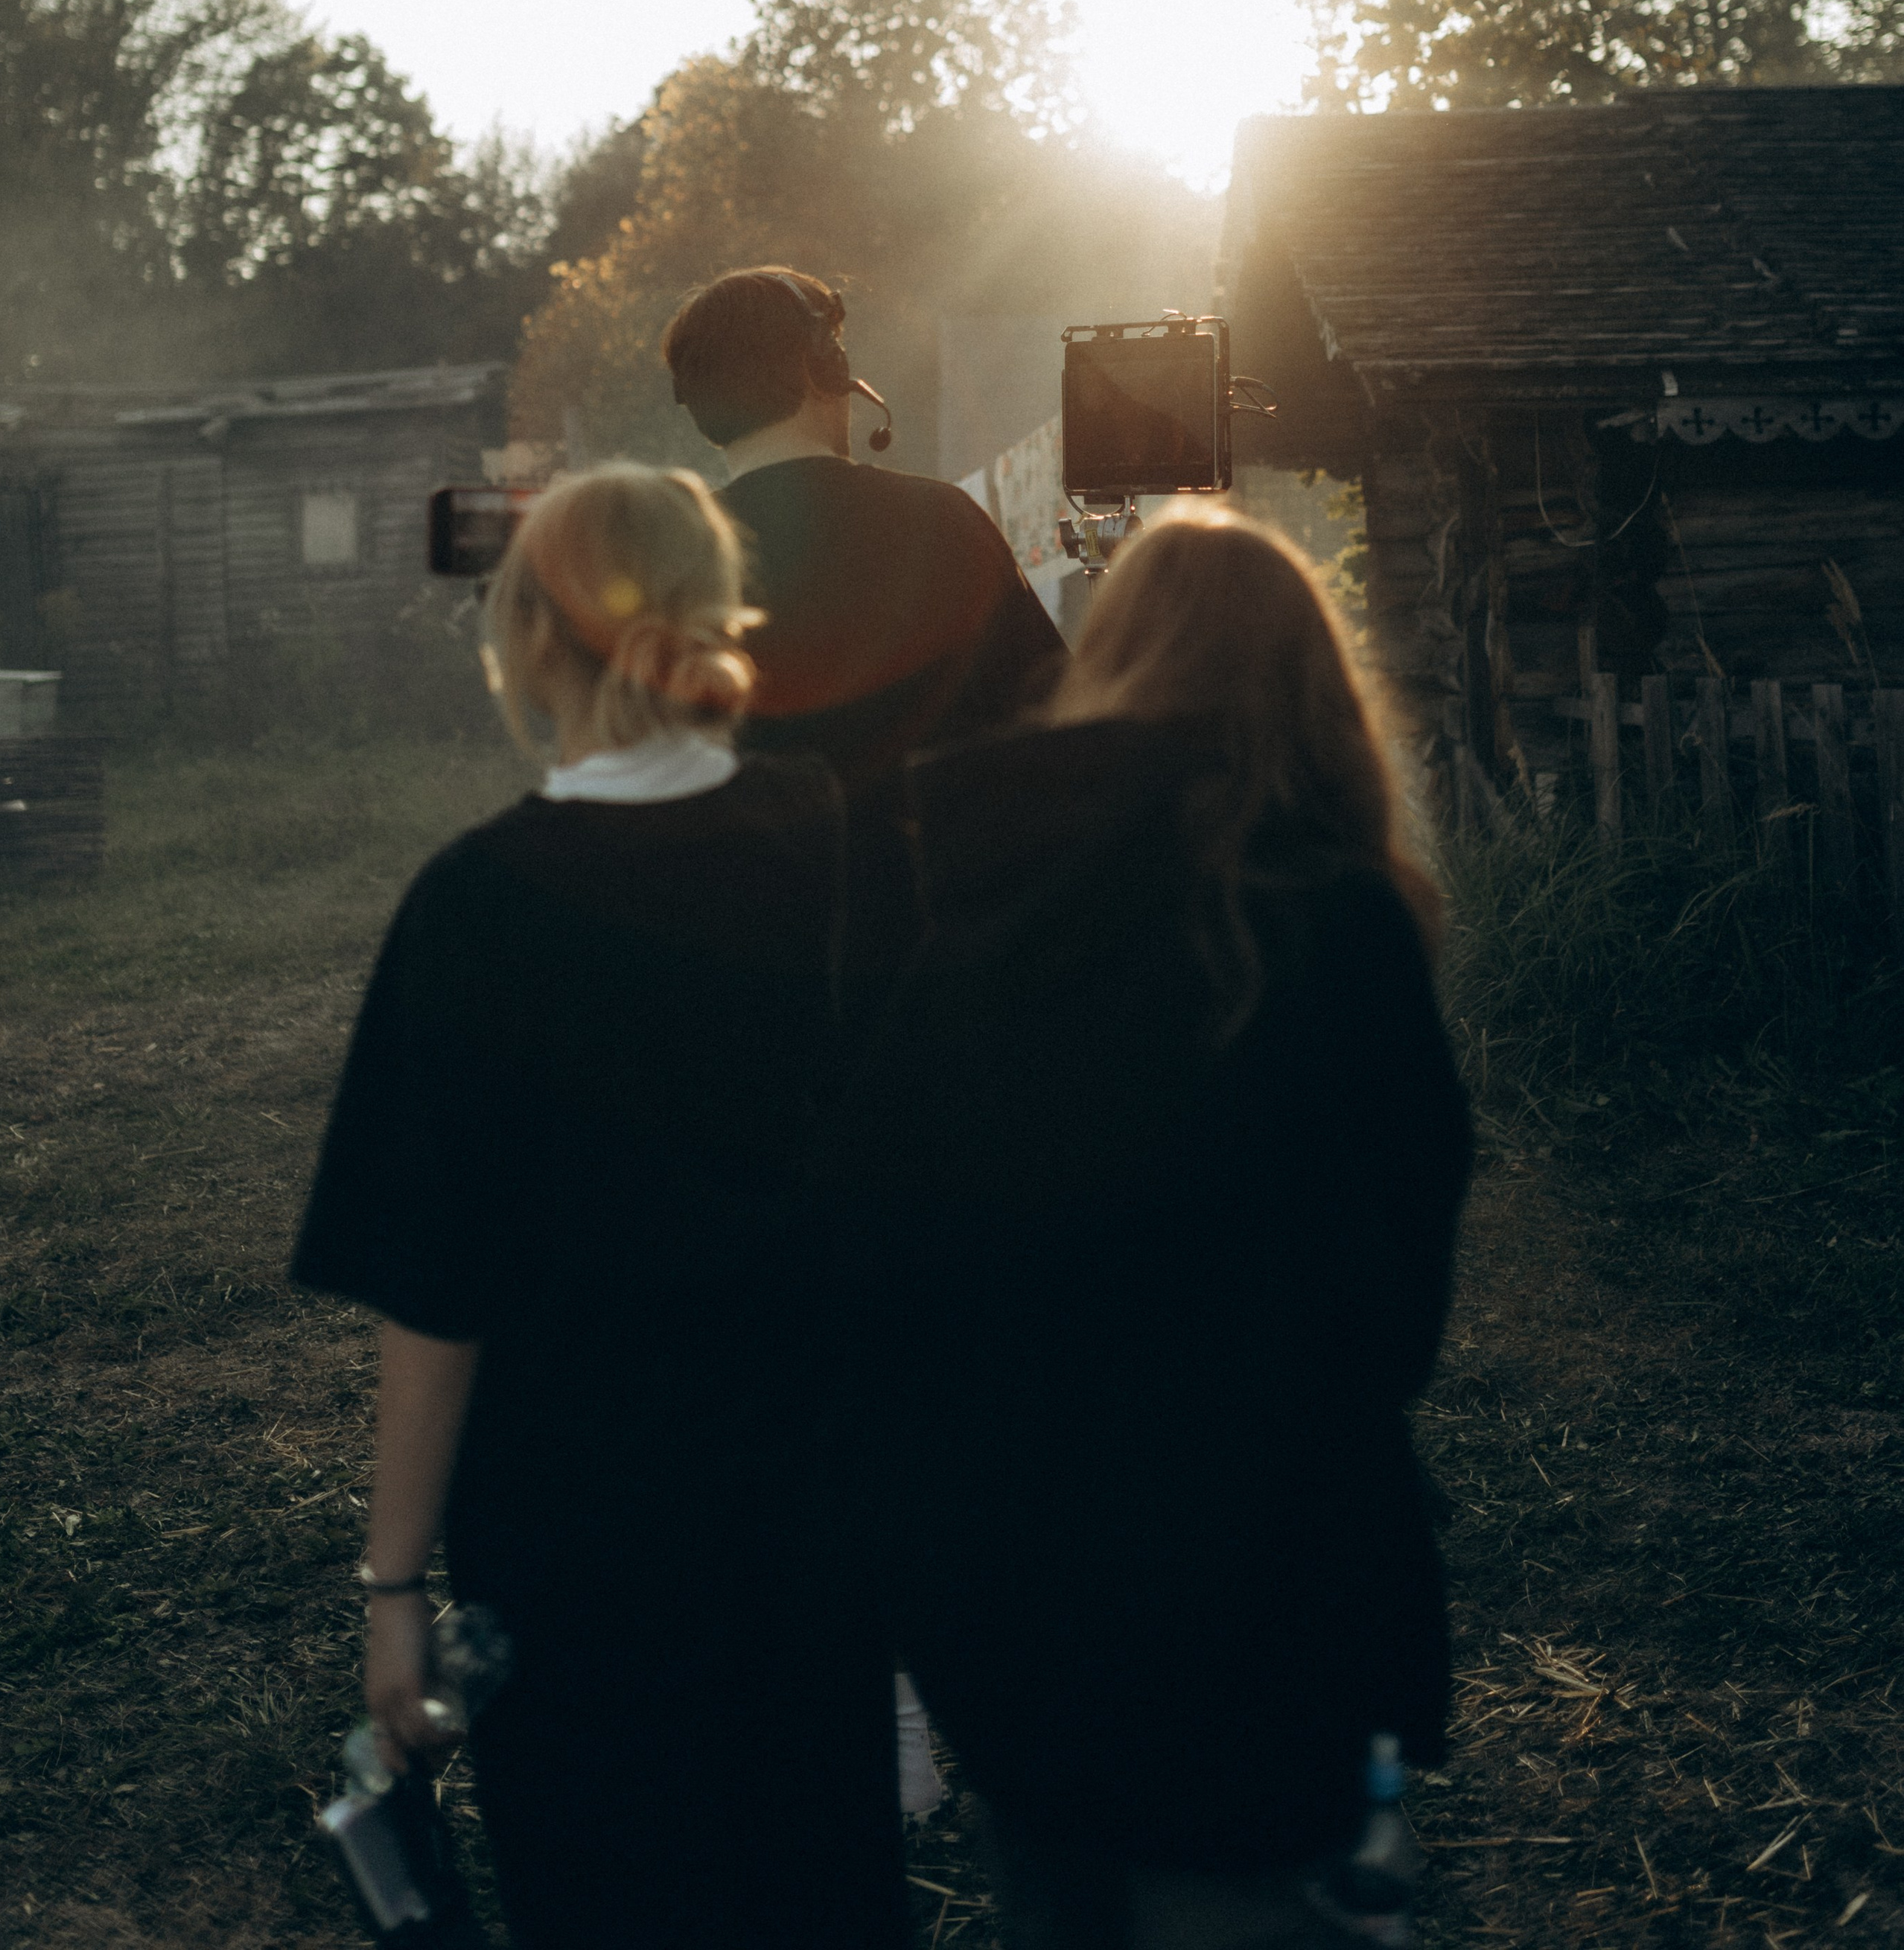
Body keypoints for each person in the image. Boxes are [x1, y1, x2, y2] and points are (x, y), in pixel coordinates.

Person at [837, 506, 1474, 1950]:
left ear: (1106, 669)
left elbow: (875, 1253)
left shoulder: (978, 912)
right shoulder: (1333, 930)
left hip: (1003, 1607)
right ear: (1314, 696)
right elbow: (1392, 1307)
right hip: (1261, 1602)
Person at [291, 466, 909, 1950]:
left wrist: (391, 1590)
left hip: (573, 1555)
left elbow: (434, 1295)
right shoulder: (843, 851)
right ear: (710, 621)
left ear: (529, 642)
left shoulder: (476, 910)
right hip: (816, 1527)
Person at [660, 267, 1066, 801]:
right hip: (934, 869)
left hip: (757, 877)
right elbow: (1052, 706)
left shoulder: (671, 555)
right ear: (824, 367)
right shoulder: (942, 518)